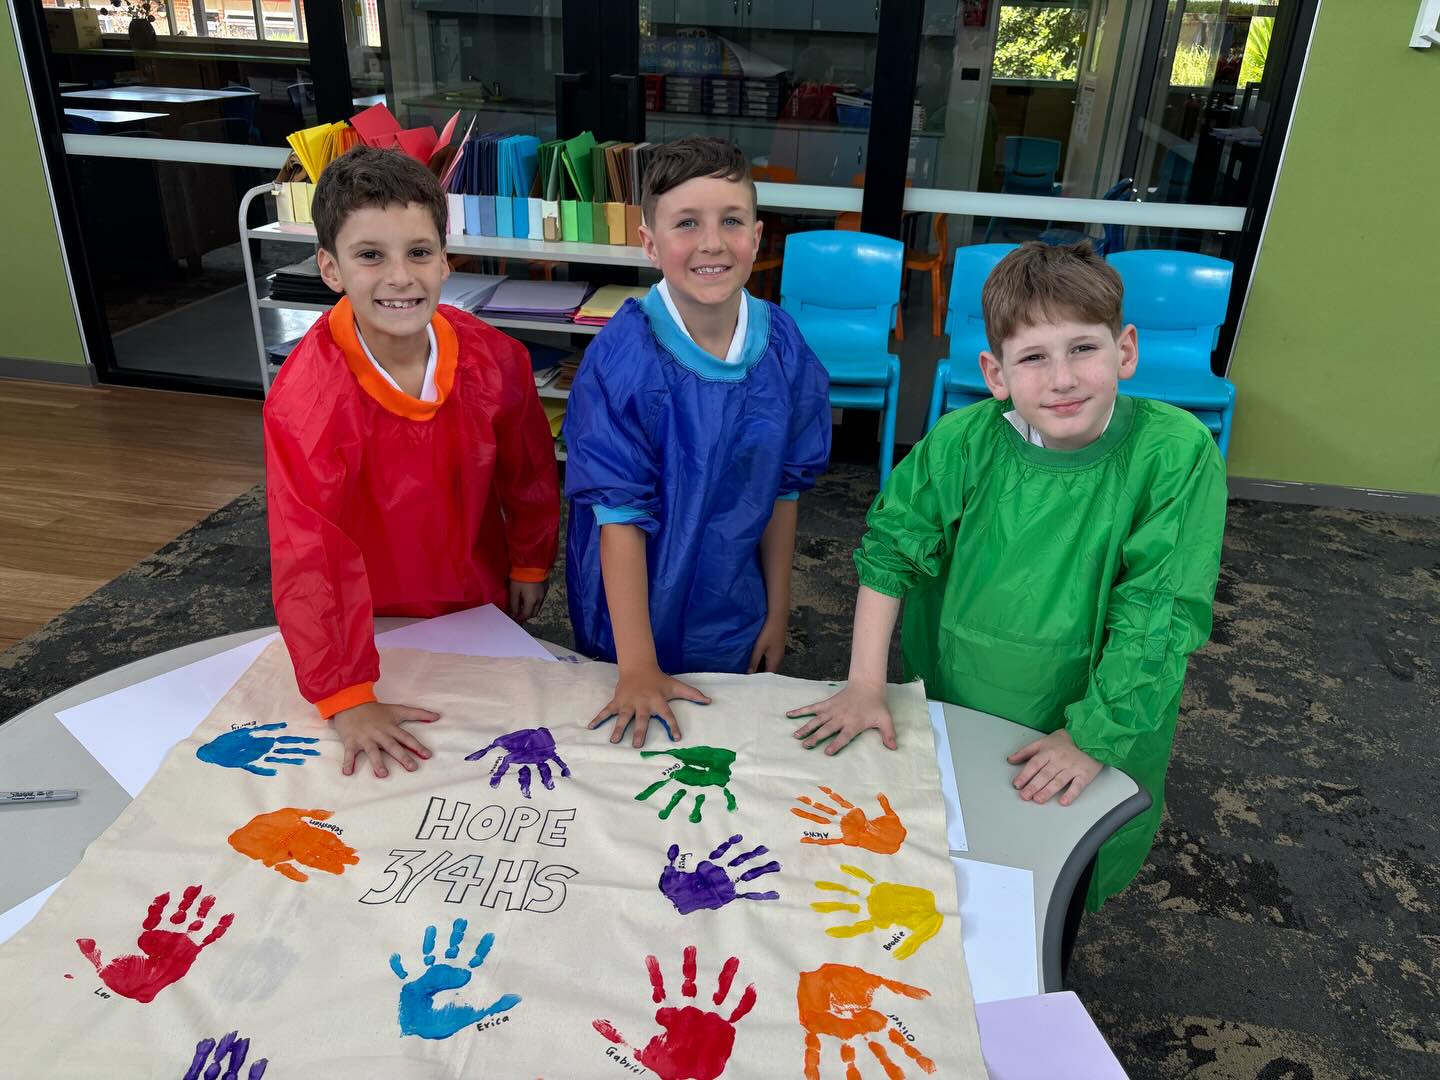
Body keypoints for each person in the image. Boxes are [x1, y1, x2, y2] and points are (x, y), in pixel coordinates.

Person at [791, 241, 1227, 912]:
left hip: (1096, 712)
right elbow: (890, 553)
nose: (1062, 380)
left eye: (1084, 348)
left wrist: (1093, 737)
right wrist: (866, 682)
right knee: (956, 867)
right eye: (1033, 358)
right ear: (995, 372)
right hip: (963, 693)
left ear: (1126, 349)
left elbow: (1157, 613)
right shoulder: (963, 442)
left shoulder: (1174, 454)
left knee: (1052, 882)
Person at [265, 146, 559, 779]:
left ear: (445, 261)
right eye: (370, 255)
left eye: (419, 253)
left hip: (475, 597)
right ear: (330, 268)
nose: (399, 276)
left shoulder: (496, 359)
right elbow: (308, 550)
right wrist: (346, 695)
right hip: (370, 617)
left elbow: (529, 469)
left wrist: (531, 560)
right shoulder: (308, 401)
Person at [564, 136, 831, 748]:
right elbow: (619, 516)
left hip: (728, 608)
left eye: (730, 221)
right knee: (634, 756)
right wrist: (635, 667)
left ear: (757, 237)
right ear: (650, 243)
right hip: (629, 620)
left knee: (713, 758)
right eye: (687, 223)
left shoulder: (783, 347)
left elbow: (783, 489)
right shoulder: (623, 359)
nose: (712, 242)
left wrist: (777, 610)